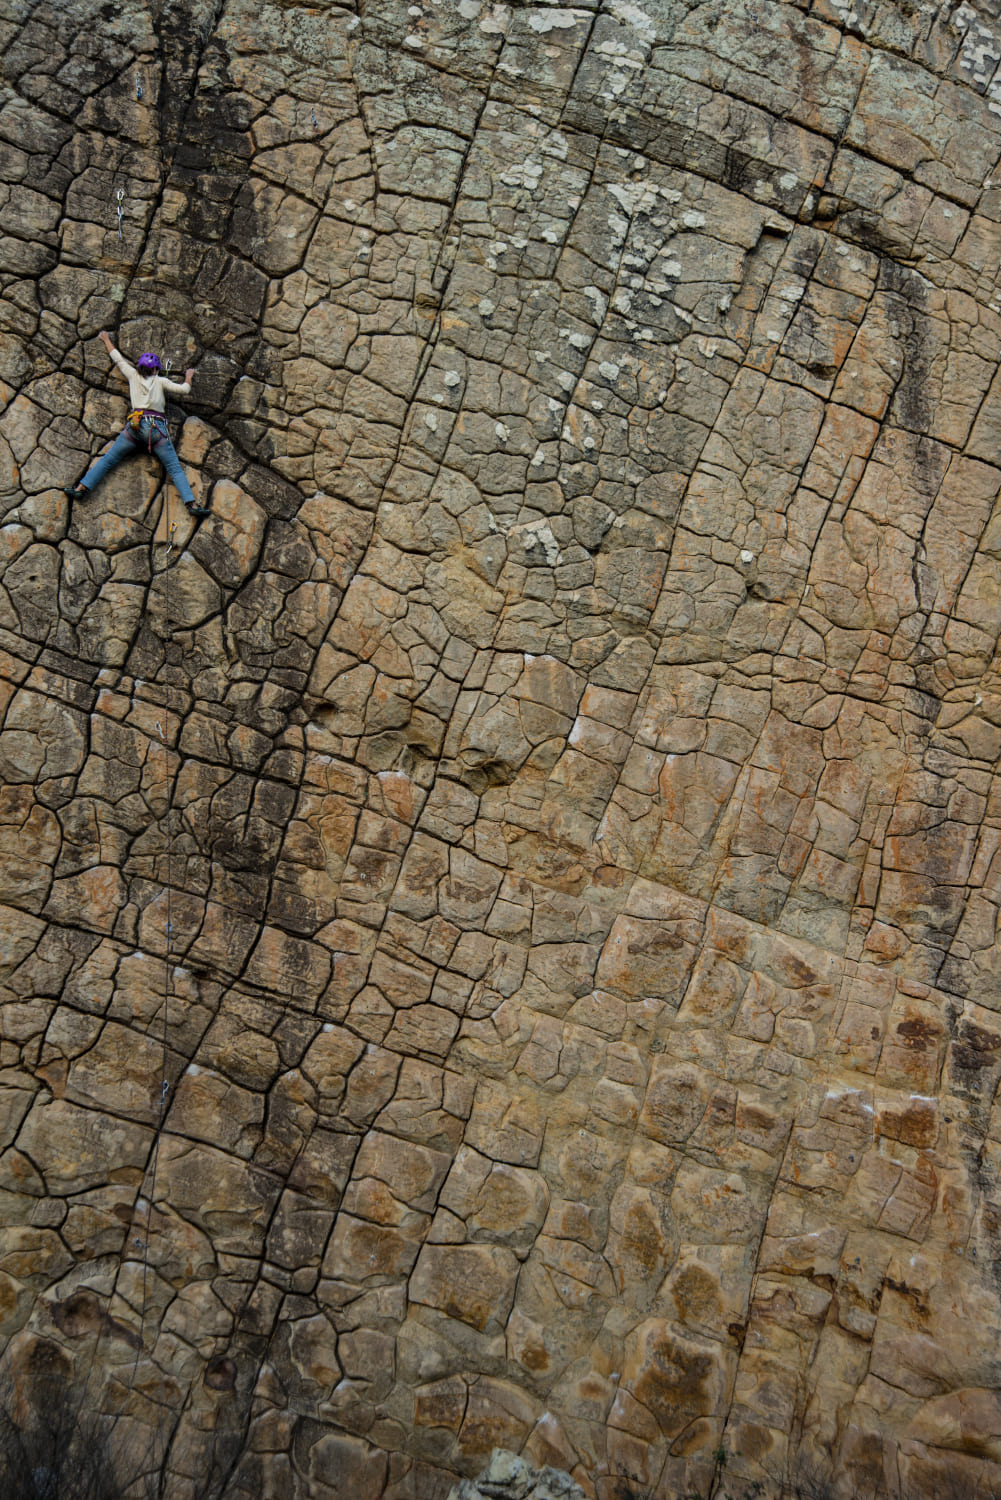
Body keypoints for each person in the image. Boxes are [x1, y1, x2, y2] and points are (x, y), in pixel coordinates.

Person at [64, 331, 208, 515]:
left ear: (140, 367)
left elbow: (117, 358)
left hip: (135, 427)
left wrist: (106, 339)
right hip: (156, 430)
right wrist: (189, 375)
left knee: (108, 459)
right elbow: (184, 389)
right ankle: (192, 506)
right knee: (174, 469)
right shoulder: (160, 381)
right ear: (155, 369)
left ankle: (80, 489)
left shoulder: (132, 375)